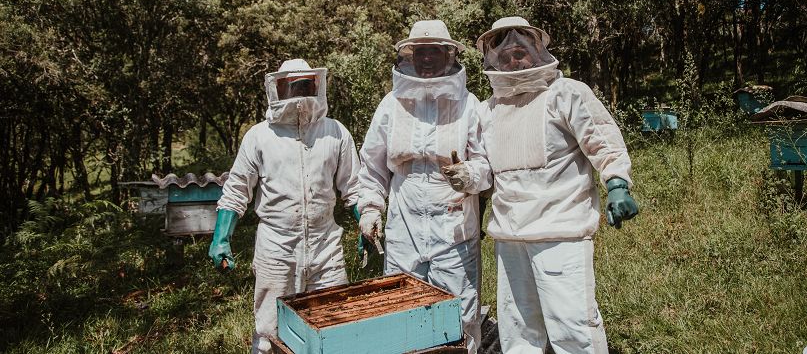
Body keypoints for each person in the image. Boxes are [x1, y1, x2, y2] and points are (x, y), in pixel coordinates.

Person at [476, 17, 639, 354]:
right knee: (517, 331)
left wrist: (618, 183)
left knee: (573, 327)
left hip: (561, 231)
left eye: (520, 52)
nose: (513, 60)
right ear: (493, 61)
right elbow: (483, 168)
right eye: (505, 56)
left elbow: (602, 140)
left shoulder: (566, 93)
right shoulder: (487, 110)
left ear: (537, 52)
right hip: (509, 236)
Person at [355, 19, 492, 354]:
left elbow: (488, 165)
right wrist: (371, 208)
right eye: (420, 52)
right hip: (404, 222)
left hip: (454, 223)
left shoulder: (469, 104)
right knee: (402, 305)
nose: (426, 58)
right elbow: (372, 166)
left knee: (460, 310)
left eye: (434, 51)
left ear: (448, 55)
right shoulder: (391, 104)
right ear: (409, 57)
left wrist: (469, 175)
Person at [208, 59, 361, 354]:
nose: (300, 92)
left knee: (335, 326)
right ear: (278, 88)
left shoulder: (335, 132)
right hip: (276, 249)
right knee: (270, 334)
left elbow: (353, 187)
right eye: (292, 85)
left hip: (326, 247)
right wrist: (221, 238)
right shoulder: (259, 136)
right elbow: (237, 189)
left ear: (316, 85)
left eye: (305, 85)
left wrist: (366, 222)